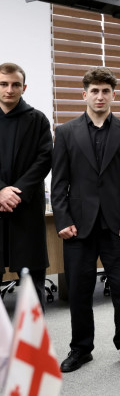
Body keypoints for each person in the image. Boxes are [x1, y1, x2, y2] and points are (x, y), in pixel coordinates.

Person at [51, 67, 120, 372]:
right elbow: (59, 182)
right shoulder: (65, 132)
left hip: (118, 225)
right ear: (84, 94)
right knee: (78, 290)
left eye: (105, 91)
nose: (100, 96)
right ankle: (80, 349)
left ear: (113, 95)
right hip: (78, 226)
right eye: (94, 91)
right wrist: (62, 220)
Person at [0, 62, 52, 308]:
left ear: (24, 87)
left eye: (15, 85)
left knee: (32, 279)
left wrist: (16, 193)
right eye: (3, 84)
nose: (9, 89)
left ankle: (34, 331)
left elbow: (45, 159)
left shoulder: (37, 119)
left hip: (26, 206)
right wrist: (1, 190)